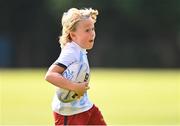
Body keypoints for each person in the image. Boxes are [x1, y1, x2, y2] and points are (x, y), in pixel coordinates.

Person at [45, 8, 106, 125]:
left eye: (93, 29)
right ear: (73, 35)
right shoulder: (70, 52)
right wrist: (74, 87)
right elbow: (50, 75)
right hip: (69, 113)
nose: (92, 33)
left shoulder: (79, 49)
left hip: (86, 107)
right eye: (87, 30)